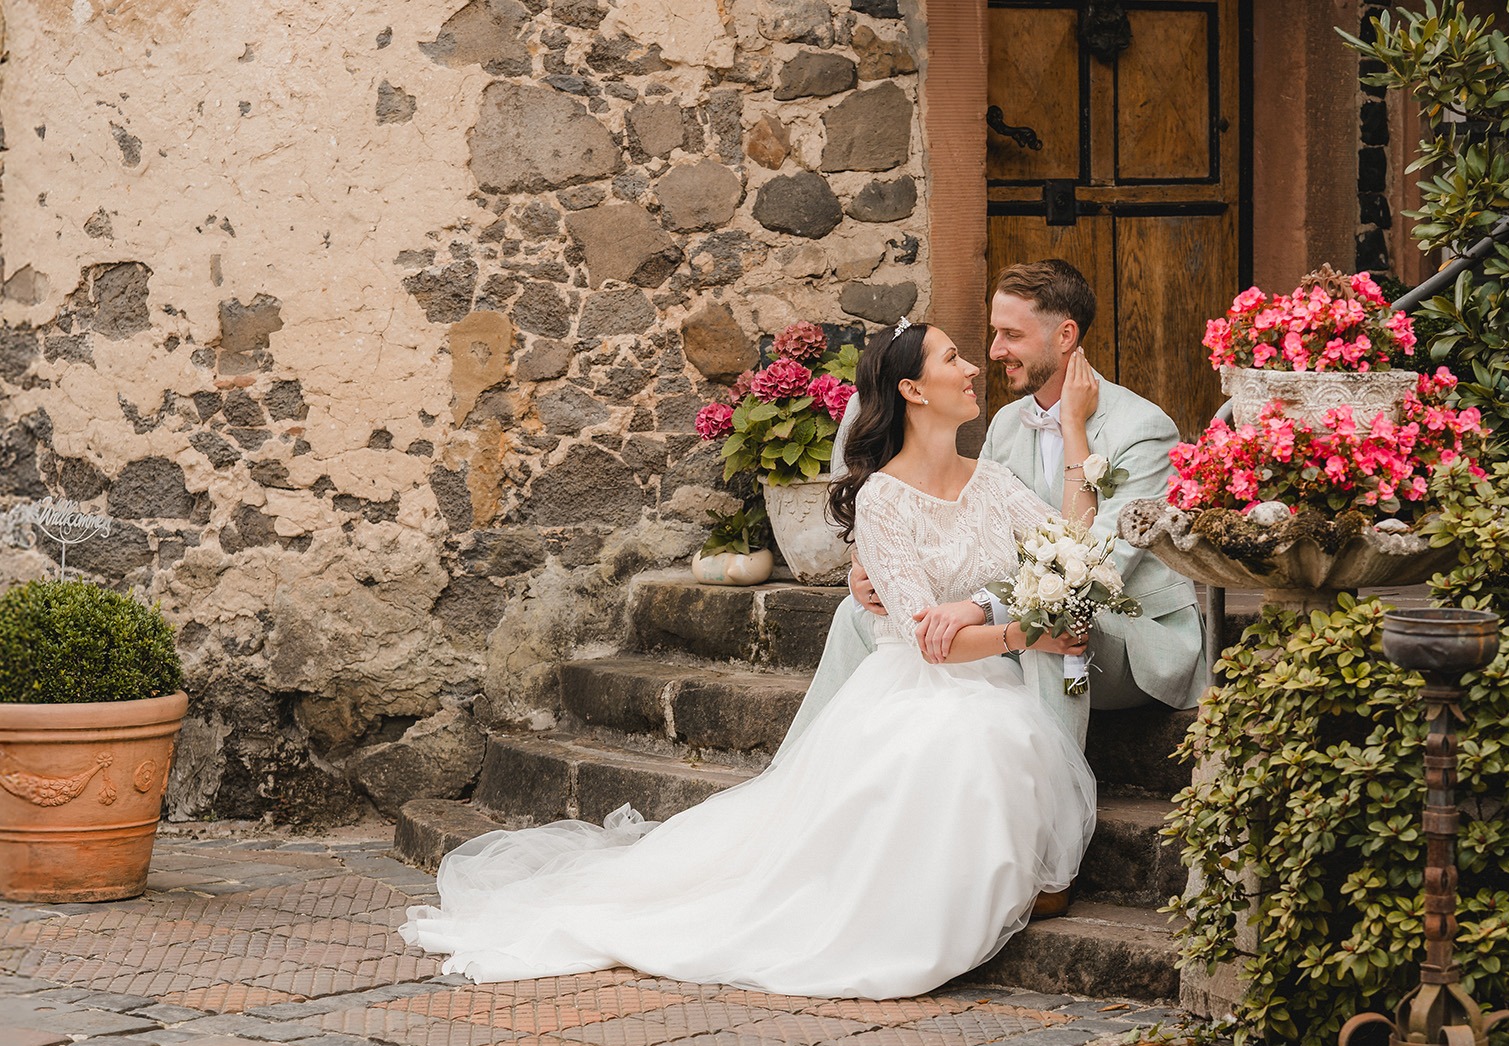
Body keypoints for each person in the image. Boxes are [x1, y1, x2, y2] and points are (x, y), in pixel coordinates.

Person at [401, 323, 1102, 999]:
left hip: (987, 682)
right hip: (920, 687)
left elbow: (1069, 547)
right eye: (953, 358)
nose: (972, 367)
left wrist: (1074, 430)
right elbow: (928, 641)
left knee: (995, 739)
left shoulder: (993, 481)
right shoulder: (884, 500)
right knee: (965, 747)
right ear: (913, 391)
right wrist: (1028, 636)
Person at [784, 259, 1209, 750]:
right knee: (861, 616)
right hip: (1033, 609)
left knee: (1046, 623)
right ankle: (835, 759)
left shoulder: (1142, 429)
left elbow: (1098, 566)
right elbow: (971, 533)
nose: (993, 351)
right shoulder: (1007, 423)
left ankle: (1053, 777)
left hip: (1131, 635)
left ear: (1065, 336)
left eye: (1011, 335)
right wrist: (879, 575)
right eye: (994, 333)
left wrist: (981, 607)